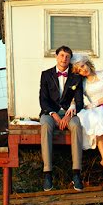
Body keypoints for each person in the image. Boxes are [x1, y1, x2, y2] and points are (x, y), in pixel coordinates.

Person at [39, 45, 85, 191]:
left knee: (77, 125)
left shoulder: (76, 77)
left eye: (67, 56)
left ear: (70, 59)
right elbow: (43, 99)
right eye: (61, 55)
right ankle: (47, 174)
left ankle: (76, 173)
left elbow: (79, 102)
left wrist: (69, 113)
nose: (64, 59)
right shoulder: (46, 74)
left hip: (68, 113)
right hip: (49, 113)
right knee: (45, 126)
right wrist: (54, 115)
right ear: (56, 57)